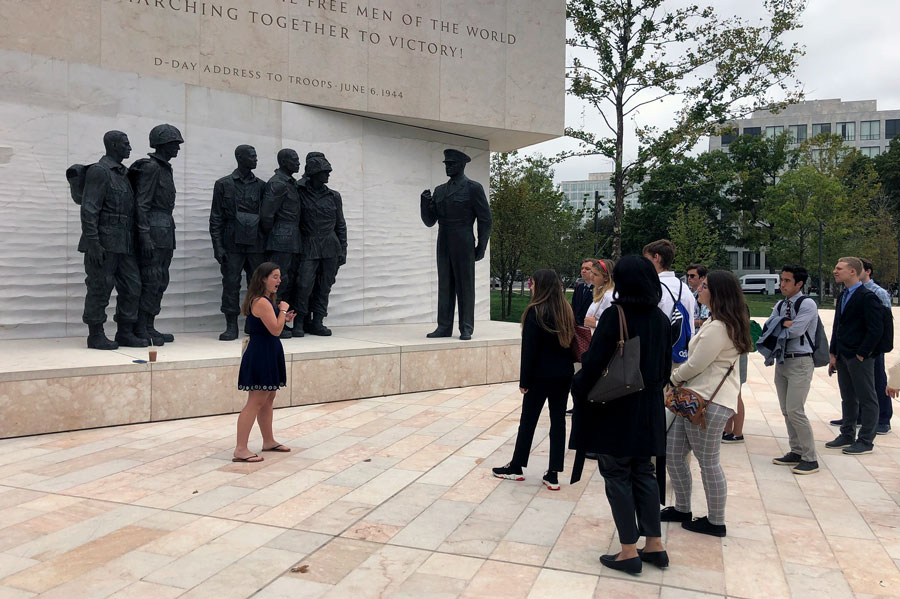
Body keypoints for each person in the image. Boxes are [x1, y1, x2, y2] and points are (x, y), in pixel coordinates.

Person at [569, 255, 672, 575]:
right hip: (649, 407)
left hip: (618, 407)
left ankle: (628, 549)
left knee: (616, 473)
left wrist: (577, 387)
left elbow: (594, 362)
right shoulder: (659, 318)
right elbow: (665, 367)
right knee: (644, 471)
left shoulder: (616, 315)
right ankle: (654, 544)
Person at [663, 270, 751, 537]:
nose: (699, 290)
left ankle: (716, 521)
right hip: (693, 399)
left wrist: (672, 378)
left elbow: (696, 364)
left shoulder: (720, 327)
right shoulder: (720, 322)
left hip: (708, 402)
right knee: (673, 452)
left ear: (717, 293)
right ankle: (682, 507)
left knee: (708, 462)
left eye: (704, 286)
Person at [492, 269, 575, 491]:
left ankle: (517, 466)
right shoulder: (566, 310)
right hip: (563, 374)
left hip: (540, 376)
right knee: (558, 422)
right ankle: (553, 473)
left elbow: (530, 351)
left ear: (541, 285)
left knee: (528, 421)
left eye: (533, 282)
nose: (530, 285)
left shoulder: (535, 311)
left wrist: (524, 382)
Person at [76, 131, 147, 350]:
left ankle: (125, 332)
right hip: (103, 243)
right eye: (126, 144)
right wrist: (94, 243)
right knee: (100, 287)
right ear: (114, 145)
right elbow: (89, 210)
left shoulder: (123, 174)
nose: (129, 148)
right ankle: (95, 334)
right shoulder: (100, 171)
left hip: (124, 243)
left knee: (133, 286)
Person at [419, 149, 492, 340]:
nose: (448, 166)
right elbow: (430, 221)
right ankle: (443, 326)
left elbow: (485, 219)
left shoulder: (473, 188)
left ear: (462, 165)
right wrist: (424, 204)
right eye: (446, 164)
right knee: (445, 284)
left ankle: (466, 327)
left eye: (451, 163)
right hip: (443, 239)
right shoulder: (440, 190)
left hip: (463, 238)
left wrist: (482, 246)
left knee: (465, 285)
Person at [234, 262, 294, 462]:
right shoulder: (261, 302)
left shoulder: (267, 301)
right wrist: (283, 311)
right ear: (263, 279)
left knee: (269, 397)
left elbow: (272, 326)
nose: (279, 280)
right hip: (261, 354)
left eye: (279, 276)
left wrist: (282, 316)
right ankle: (241, 449)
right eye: (275, 277)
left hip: (268, 351)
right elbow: (276, 330)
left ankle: (268, 440)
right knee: (256, 400)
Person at [762, 265, 819, 474]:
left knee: (796, 409)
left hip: (801, 362)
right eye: (782, 280)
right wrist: (781, 322)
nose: (782, 284)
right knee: (787, 410)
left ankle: (810, 457)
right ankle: (796, 450)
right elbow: (768, 326)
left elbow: (796, 330)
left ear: (799, 284)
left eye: (787, 281)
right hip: (782, 361)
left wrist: (781, 324)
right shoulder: (780, 304)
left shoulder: (808, 304)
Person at [132, 123, 184, 346]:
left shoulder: (164, 168)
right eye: (175, 144)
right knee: (151, 279)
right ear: (163, 144)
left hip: (165, 230)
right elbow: (141, 204)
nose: (178, 149)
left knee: (160, 280)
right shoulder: (152, 168)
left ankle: (150, 325)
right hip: (153, 229)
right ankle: (141, 327)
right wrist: (144, 235)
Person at [825, 257, 883, 455]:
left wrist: (862, 353)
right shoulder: (843, 295)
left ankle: (866, 440)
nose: (835, 271)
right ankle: (847, 434)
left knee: (867, 397)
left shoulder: (868, 297)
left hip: (858, 357)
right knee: (847, 397)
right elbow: (837, 325)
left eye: (839, 268)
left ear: (853, 272)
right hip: (842, 355)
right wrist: (833, 353)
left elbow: (876, 330)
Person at [209, 145, 267, 341]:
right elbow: (216, 217)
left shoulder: (262, 186)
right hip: (231, 242)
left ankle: (254, 322)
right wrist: (218, 246)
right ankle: (231, 325)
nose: (256, 159)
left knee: (258, 285)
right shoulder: (223, 184)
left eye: (256, 155)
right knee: (231, 284)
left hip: (256, 244)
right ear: (240, 158)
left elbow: (267, 218)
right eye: (252, 156)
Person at [294, 153, 347, 336]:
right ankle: (299, 320)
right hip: (309, 244)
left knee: (324, 286)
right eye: (324, 172)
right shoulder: (299, 193)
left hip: (331, 246)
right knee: (304, 284)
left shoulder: (334, 196)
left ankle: (317, 321)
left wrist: (343, 250)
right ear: (314, 173)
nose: (328, 175)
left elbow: (341, 224)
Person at [261, 149, 302, 338]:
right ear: (284, 162)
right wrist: (275, 235)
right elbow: (267, 215)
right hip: (280, 238)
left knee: (288, 280)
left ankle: (283, 322)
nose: (298, 163)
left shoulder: (291, 183)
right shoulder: (277, 183)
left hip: (293, 238)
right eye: (294, 160)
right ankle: (275, 323)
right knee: (278, 281)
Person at [643, 240, 697, 358]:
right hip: (682, 352)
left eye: (646, 259)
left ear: (656, 257)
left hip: (657, 353)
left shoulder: (653, 287)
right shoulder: (685, 288)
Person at [584, 258, 615, 335]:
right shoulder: (601, 292)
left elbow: (613, 323)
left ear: (606, 278)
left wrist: (595, 323)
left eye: (595, 274)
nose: (591, 276)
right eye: (591, 272)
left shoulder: (609, 296)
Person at [571, 258, 596, 326]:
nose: (583, 271)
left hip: (590, 327)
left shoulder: (598, 289)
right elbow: (574, 306)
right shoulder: (579, 287)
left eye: (587, 269)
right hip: (576, 326)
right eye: (582, 268)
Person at [686, 264, 710, 330]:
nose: (689, 278)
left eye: (692, 276)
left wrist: (686, 321)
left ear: (702, 278)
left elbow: (706, 321)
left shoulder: (705, 295)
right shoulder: (686, 292)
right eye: (687, 275)